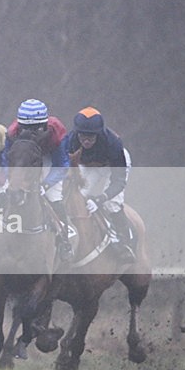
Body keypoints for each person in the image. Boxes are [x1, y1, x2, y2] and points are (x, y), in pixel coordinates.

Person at [4, 99, 73, 261]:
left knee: (54, 197)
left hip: (48, 158)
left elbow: (62, 164)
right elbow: (7, 160)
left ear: (44, 126)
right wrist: (12, 179)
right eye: (26, 129)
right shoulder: (12, 133)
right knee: (5, 191)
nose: (30, 133)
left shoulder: (56, 133)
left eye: (35, 129)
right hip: (24, 160)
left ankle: (64, 240)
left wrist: (46, 183)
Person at [64, 106, 135, 263]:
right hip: (90, 165)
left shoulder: (113, 144)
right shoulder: (69, 142)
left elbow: (119, 181)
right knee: (78, 197)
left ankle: (124, 241)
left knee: (112, 203)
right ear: (77, 133)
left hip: (112, 166)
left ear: (99, 134)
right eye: (83, 136)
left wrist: (100, 199)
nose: (87, 141)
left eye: (91, 137)